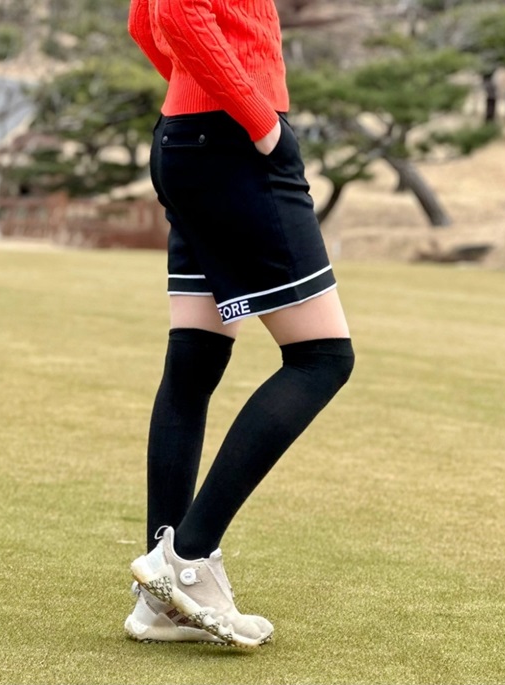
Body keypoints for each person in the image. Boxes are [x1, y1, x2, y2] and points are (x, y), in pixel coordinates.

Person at [124, 0, 355, 648]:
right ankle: (187, 560)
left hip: (190, 138)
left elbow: (144, 21)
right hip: (233, 141)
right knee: (322, 357)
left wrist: (194, 86)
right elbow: (177, 15)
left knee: (194, 364)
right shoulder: (246, 125)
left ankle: (160, 600)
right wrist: (262, 124)